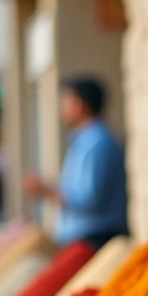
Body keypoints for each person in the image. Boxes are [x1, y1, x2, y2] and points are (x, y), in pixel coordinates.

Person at [23, 76, 127, 248]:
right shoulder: (86, 140)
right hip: (83, 238)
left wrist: (45, 189)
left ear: (79, 105)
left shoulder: (97, 142)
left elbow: (88, 199)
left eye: (65, 101)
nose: (61, 108)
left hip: (94, 239)